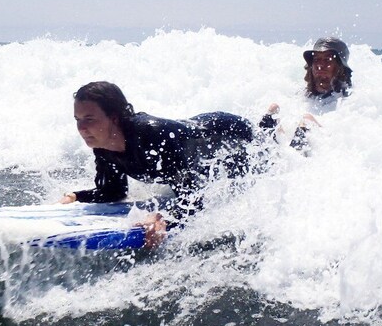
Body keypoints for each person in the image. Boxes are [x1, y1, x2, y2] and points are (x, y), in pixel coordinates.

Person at [60, 81, 255, 248]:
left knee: (262, 162)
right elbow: (114, 192)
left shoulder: (153, 136)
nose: (81, 128)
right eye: (78, 120)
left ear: (114, 118)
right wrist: (76, 196)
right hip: (203, 143)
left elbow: (194, 198)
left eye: (89, 119)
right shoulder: (103, 146)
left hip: (230, 132)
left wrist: (164, 220)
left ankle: (269, 123)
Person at [262, 37, 353, 152]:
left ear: (340, 68)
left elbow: (340, 138)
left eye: (328, 60)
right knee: (273, 109)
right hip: (285, 150)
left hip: (323, 152)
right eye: (316, 60)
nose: (320, 65)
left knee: (307, 120)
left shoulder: (348, 100)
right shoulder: (302, 95)